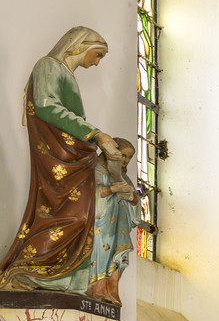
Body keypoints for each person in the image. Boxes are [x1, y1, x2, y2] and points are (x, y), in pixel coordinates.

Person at [0, 27, 123, 298]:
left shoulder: (65, 74)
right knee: (72, 215)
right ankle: (28, 271)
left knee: (84, 216)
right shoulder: (48, 66)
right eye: (98, 54)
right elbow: (46, 106)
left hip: (72, 155)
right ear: (78, 46)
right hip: (58, 156)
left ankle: (65, 280)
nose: (98, 62)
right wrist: (96, 134)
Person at [89, 138, 138, 306]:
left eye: (130, 157)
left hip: (120, 224)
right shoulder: (96, 168)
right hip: (102, 222)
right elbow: (89, 194)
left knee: (118, 256)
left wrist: (132, 196)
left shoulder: (122, 176)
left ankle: (112, 292)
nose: (125, 160)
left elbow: (135, 202)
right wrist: (112, 189)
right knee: (101, 252)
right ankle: (97, 290)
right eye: (123, 155)